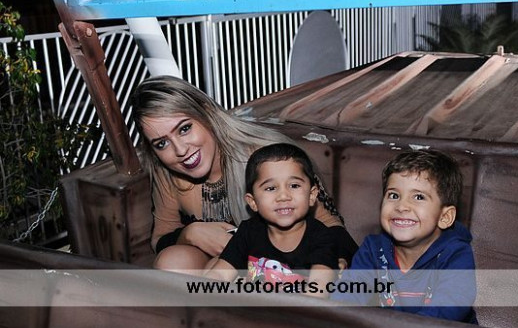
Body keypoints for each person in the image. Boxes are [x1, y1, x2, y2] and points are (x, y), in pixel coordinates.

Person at [131, 75, 356, 272]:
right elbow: (160, 239)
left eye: (184, 129)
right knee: (172, 263)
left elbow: (330, 224)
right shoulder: (167, 171)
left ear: (207, 112)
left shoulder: (265, 157)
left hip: (285, 266)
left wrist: (332, 262)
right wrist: (191, 233)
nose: (180, 150)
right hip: (222, 268)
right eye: (161, 143)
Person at [330, 149, 477, 323]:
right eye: (394, 195)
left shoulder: (455, 254)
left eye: (418, 197)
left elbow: (449, 308)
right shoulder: (373, 250)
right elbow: (350, 294)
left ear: (445, 217)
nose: (401, 206)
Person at [204, 143, 342, 297]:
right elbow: (220, 274)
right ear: (253, 202)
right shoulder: (248, 232)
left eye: (294, 185)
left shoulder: (322, 238)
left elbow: (318, 290)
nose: (283, 196)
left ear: (311, 195)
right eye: (271, 188)